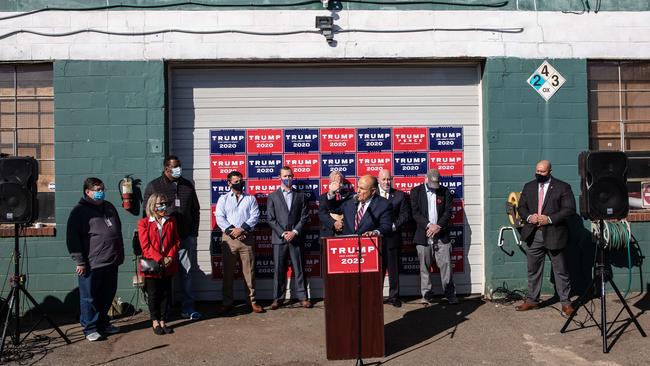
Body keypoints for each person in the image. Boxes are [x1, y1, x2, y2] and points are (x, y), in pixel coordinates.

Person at [143, 155, 201, 320]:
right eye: (175, 167)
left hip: (184, 237)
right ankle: (163, 312)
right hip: (163, 240)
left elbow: (195, 210)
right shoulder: (154, 186)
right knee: (162, 275)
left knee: (187, 272)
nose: (178, 169)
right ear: (166, 168)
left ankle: (188, 308)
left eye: (179, 166)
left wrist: (193, 232)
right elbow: (146, 213)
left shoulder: (187, 185)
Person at [66, 177, 124, 342]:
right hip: (91, 263)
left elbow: (117, 233)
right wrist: (79, 261)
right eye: (97, 190)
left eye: (102, 189)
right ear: (88, 192)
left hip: (111, 261)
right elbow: (72, 238)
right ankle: (90, 328)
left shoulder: (109, 207)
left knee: (107, 295)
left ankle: (103, 324)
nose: (101, 192)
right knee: (89, 297)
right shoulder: (79, 211)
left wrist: (119, 255)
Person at [515, 160, 576, 316]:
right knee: (533, 269)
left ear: (550, 171)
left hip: (555, 234)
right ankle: (532, 301)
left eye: (542, 171)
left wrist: (548, 219)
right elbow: (521, 207)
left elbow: (569, 209)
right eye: (537, 171)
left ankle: (566, 303)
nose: (539, 174)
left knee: (560, 270)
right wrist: (529, 217)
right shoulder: (529, 186)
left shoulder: (563, 187)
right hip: (533, 234)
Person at [215, 170, 264, 314]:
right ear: (229, 183)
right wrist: (233, 232)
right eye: (236, 181)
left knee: (249, 272)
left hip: (246, 239)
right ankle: (227, 302)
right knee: (228, 273)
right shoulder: (223, 199)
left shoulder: (250, 198)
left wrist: (242, 230)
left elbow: (255, 216)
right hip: (229, 240)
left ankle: (252, 302)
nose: (239, 183)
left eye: (240, 180)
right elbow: (220, 217)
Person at [267, 166, 312, 310]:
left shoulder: (301, 196)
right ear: (280, 177)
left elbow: (304, 217)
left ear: (293, 176)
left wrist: (294, 232)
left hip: (296, 238)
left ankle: (302, 297)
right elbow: (270, 218)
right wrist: (283, 233)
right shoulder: (272, 196)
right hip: (279, 239)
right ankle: (277, 298)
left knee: (299, 268)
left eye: (290, 176)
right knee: (279, 270)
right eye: (285, 176)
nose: (288, 178)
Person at [410, 169, 458, 305]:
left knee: (446, 266)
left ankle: (450, 293)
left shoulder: (445, 192)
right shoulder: (416, 192)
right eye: (431, 183)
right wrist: (429, 225)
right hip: (423, 235)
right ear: (426, 179)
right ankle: (426, 295)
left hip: (441, 235)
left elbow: (448, 212)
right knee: (424, 267)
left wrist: (438, 226)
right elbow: (415, 213)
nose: (434, 186)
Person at [138, 193, 180, 335]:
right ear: (152, 206)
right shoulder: (144, 223)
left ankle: (163, 320)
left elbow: (176, 241)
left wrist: (170, 256)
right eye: (160, 204)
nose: (164, 206)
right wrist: (161, 258)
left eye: (165, 203)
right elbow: (145, 246)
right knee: (154, 294)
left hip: (168, 263)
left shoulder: (171, 220)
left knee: (166, 293)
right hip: (153, 264)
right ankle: (154, 321)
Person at [377, 169, 410, 308]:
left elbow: (405, 215)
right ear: (378, 180)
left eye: (389, 179)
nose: (387, 182)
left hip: (393, 238)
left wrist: (394, 226)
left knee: (394, 270)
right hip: (376, 240)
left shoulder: (399, 195)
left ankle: (394, 296)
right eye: (384, 179)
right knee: (377, 270)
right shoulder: (372, 195)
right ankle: (376, 297)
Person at [318, 170, 354, 237]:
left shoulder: (350, 196)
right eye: (334, 182)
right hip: (328, 232)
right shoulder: (323, 197)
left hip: (345, 231)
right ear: (329, 183)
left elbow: (351, 212)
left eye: (339, 182)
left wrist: (341, 222)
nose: (336, 184)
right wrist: (334, 223)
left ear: (342, 183)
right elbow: (322, 214)